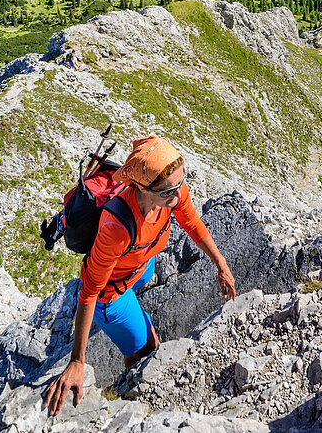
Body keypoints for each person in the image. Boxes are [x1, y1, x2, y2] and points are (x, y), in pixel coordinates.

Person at [43, 135, 236, 416]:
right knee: (148, 348)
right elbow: (88, 291)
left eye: (182, 183)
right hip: (111, 294)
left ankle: (134, 296)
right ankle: (129, 392)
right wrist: (77, 361)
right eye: (170, 191)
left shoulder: (172, 192)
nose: (179, 195)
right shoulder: (117, 228)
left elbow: (192, 223)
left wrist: (221, 263)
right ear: (143, 189)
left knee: (146, 273)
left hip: (138, 265)